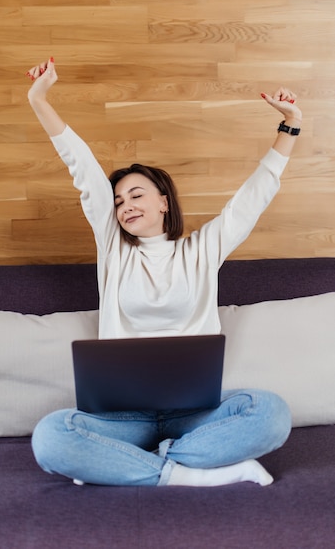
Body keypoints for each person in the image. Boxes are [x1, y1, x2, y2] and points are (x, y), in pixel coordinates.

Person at [26, 57, 302, 488]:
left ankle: (128, 466)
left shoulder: (201, 251)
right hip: (122, 416)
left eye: (136, 194)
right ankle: (187, 474)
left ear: (163, 203)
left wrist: (289, 126)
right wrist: (39, 99)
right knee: (52, 436)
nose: (125, 205)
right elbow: (83, 170)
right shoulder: (114, 249)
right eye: (118, 201)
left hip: (195, 413)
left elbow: (253, 198)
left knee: (270, 413)